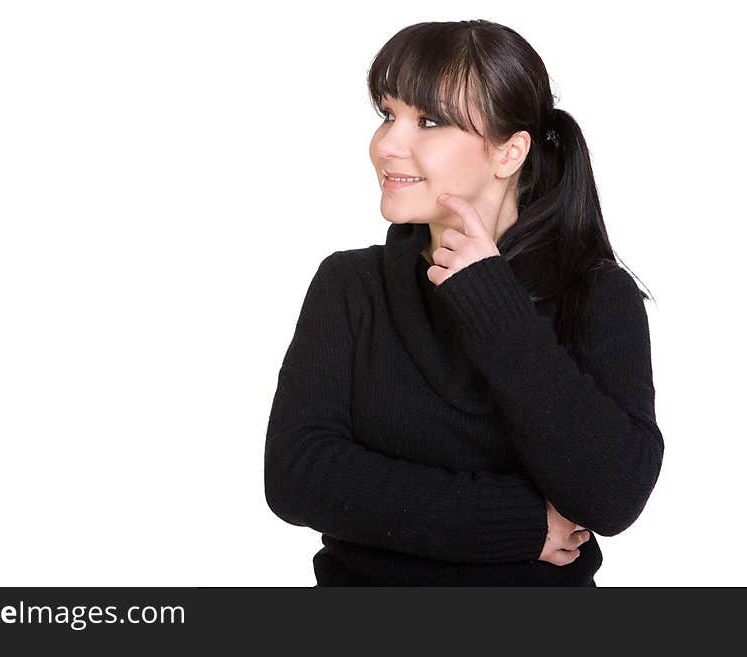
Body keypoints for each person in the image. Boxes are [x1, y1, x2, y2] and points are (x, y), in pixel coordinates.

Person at [264, 19, 664, 586]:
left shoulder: (597, 296)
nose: (387, 144)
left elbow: (612, 495)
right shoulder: (350, 285)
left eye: (428, 121)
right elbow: (297, 476)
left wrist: (492, 302)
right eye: (386, 114)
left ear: (509, 153)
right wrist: (519, 523)